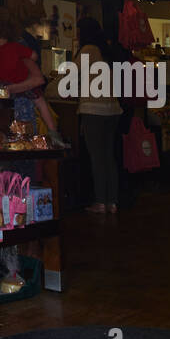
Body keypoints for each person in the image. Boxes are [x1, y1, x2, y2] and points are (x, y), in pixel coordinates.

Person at [0, 6, 67, 147]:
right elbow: (34, 63)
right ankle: (54, 133)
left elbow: (36, 78)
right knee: (39, 102)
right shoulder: (16, 46)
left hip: (5, 93)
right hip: (21, 94)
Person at [74, 17, 122, 214]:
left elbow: (71, 73)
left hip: (93, 109)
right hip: (113, 109)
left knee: (97, 157)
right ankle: (112, 202)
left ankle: (100, 201)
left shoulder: (88, 50)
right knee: (109, 156)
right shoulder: (106, 51)